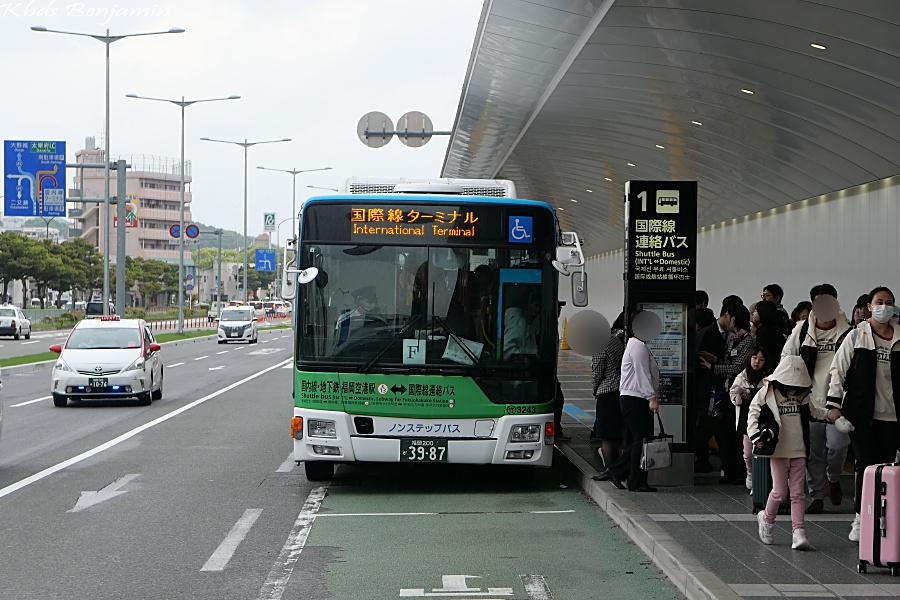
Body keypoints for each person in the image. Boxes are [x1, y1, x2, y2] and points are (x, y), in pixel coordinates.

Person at [826, 286, 900, 543]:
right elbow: (839, 369)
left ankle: (884, 517)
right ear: (869, 306)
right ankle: (860, 517)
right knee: (865, 465)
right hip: (861, 415)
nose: (884, 306)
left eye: (889, 302)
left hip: (892, 416)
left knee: (887, 466)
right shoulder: (857, 336)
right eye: (879, 301)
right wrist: (833, 406)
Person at [782, 284, 851, 514]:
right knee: (813, 450)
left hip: (838, 400)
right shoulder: (802, 330)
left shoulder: (848, 332)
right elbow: (787, 357)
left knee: (838, 447)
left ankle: (833, 477)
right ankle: (818, 495)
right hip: (809, 399)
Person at [749, 355, 827, 550]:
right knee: (779, 492)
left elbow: (814, 412)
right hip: (778, 451)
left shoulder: (803, 395)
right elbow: (753, 410)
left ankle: (798, 531)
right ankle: (766, 520)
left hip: (799, 450)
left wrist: (832, 415)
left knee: (798, 494)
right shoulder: (768, 391)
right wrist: (755, 436)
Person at [594, 311, 660, 492]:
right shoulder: (637, 346)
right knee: (640, 440)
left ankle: (627, 477)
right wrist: (652, 398)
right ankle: (627, 476)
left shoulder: (636, 345)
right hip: (636, 399)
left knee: (637, 441)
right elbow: (643, 375)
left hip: (634, 398)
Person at [700, 304, 754, 484]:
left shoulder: (748, 340)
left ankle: (738, 471)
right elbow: (729, 362)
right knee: (725, 432)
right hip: (726, 390)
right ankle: (730, 468)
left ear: (734, 318)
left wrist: (713, 367)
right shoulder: (731, 338)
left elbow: (738, 367)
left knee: (736, 433)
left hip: (739, 393)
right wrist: (716, 360)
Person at [692, 304, 735, 472]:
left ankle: (714, 462)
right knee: (709, 426)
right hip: (709, 390)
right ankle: (707, 461)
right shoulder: (709, 333)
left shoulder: (726, 334)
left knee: (713, 426)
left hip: (716, 389)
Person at [730, 345, 773, 490]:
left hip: (765, 420)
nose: (757, 362)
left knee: (763, 451)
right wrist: (739, 396)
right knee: (748, 454)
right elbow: (732, 396)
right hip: (747, 421)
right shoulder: (741, 377)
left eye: (761, 359)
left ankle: (762, 482)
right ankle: (750, 473)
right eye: (755, 358)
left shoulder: (768, 379)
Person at [590, 312, 626, 466]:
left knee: (606, 437)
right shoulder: (616, 340)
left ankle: (610, 469)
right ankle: (623, 468)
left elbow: (597, 372)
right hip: (620, 389)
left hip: (607, 392)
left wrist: (595, 389)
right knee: (618, 435)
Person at [502, 288, 540, 359]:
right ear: (527, 304)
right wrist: (528, 355)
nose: (538, 309)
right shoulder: (518, 324)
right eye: (536, 305)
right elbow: (506, 350)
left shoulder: (528, 324)